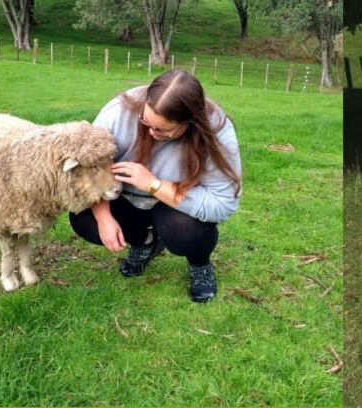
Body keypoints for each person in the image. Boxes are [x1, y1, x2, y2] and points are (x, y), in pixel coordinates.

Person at [69, 68, 242, 303]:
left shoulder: (216, 132)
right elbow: (89, 167)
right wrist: (103, 217)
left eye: (162, 130)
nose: (150, 132)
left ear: (190, 123)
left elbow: (222, 204)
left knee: (187, 232)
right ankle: (144, 243)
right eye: (145, 121)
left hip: (174, 206)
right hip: (124, 198)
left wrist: (153, 184)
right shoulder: (118, 112)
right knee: (82, 218)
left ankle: (199, 264)